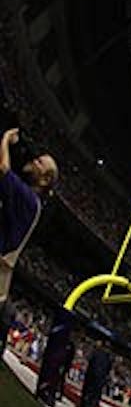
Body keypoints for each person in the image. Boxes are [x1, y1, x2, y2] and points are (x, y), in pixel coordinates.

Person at [0, 128, 58, 350]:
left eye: (40, 163)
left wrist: (6, 138)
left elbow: (3, 168)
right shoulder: (29, 199)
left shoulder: (29, 200)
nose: (35, 161)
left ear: (45, 179)